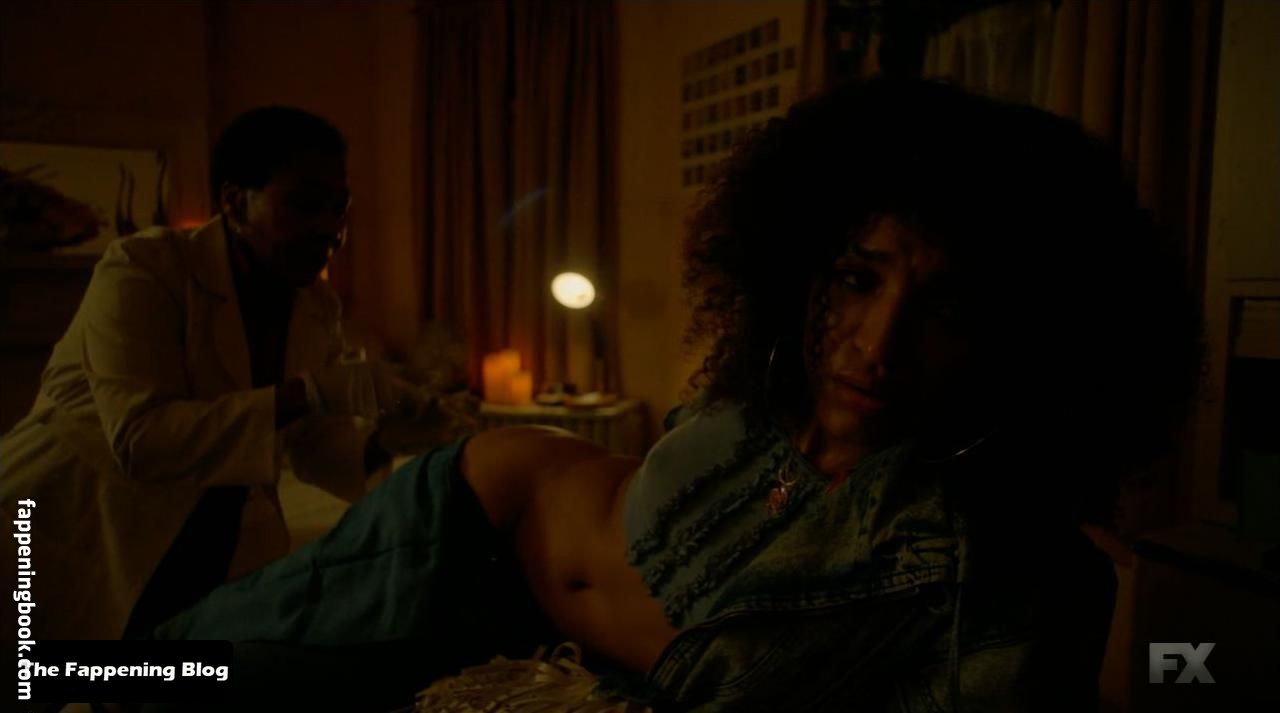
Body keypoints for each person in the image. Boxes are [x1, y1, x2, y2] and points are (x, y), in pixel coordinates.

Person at [153, 79, 1201, 712]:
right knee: (166, 670)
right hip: (461, 520)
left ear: (1023, 332)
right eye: (855, 278)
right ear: (800, 268)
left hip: (517, 632)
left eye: (946, 308)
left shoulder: (1009, 565)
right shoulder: (764, 391)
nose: (878, 343)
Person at [0, 106, 459, 643]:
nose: (330, 228)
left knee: (172, 676)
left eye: (339, 207)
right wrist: (309, 393)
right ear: (235, 201)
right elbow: (142, 439)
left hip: (194, 538)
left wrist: (389, 443)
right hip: (54, 521)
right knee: (40, 674)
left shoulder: (314, 305)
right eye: (303, 203)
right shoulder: (144, 269)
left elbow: (310, 445)